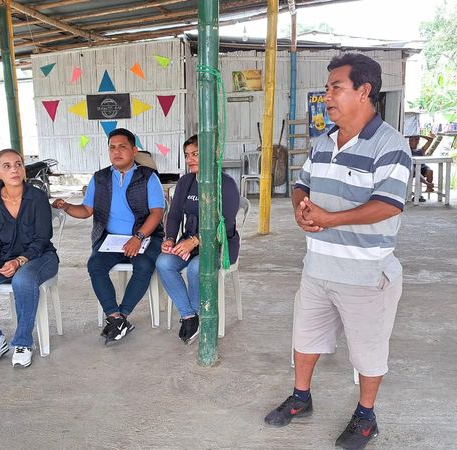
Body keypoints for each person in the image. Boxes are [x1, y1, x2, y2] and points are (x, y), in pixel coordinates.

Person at [263, 54, 411, 450]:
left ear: (364, 91)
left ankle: (366, 416)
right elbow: (302, 184)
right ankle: (301, 397)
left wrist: (330, 219)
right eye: (327, 88)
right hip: (318, 267)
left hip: (366, 274)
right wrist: (301, 209)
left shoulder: (390, 144)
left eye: (336, 88)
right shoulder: (323, 141)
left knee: (368, 351)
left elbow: (388, 205)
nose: (326, 95)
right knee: (305, 338)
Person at [53, 128, 164, 344]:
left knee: (143, 266)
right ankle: (115, 317)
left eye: (122, 147)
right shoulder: (100, 178)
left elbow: (157, 213)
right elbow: (86, 210)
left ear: (134, 150)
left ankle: (123, 314)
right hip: (110, 239)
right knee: (95, 265)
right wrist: (66, 206)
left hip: (144, 237)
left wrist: (138, 237)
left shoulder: (148, 177)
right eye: (112, 147)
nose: (116, 152)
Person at [0, 149, 58, 368]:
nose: (14, 169)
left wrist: (20, 261)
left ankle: (23, 342)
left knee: (22, 280)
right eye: (7, 166)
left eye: (18, 164)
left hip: (40, 257)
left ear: (24, 169)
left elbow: (42, 238)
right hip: (4, 258)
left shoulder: (37, 197)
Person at [155, 135, 240, 344]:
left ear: (212, 154)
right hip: (189, 243)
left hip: (220, 245)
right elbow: (174, 215)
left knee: (196, 267)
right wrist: (170, 238)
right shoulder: (186, 182)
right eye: (187, 155)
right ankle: (190, 316)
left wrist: (194, 241)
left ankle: (195, 316)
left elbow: (226, 224)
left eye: (195, 154)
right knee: (163, 263)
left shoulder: (226, 184)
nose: (189, 159)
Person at [408, 134, 434, 199]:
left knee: (430, 171)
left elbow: (430, 139)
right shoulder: (407, 149)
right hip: (413, 169)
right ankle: (427, 183)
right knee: (415, 170)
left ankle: (429, 188)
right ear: (409, 141)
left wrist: (419, 135)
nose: (413, 141)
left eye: (415, 140)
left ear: (418, 141)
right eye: (411, 140)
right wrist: (407, 136)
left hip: (422, 167)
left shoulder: (421, 150)